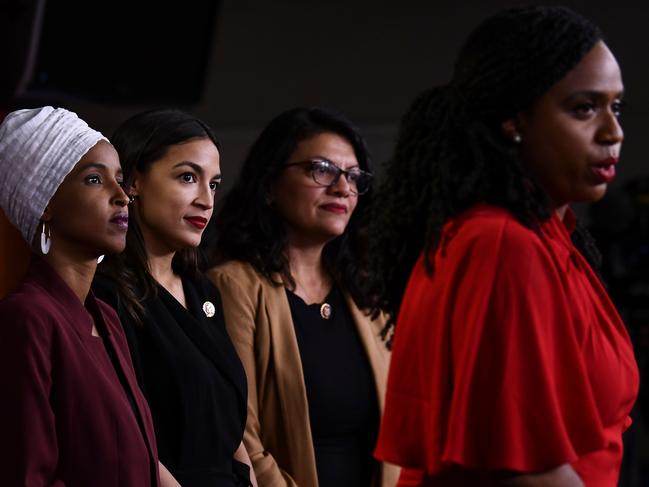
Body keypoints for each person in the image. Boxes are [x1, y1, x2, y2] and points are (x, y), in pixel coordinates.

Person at [367, 5, 639, 487]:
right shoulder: (502, 244)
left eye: (615, 107)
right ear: (515, 120)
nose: (613, 132)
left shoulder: (545, 238)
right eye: (583, 108)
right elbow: (526, 473)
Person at [205, 107, 399, 487]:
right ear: (271, 183)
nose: (343, 188)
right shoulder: (233, 286)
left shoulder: (365, 295)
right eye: (322, 169)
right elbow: (240, 435)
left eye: (354, 176)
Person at [0, 106, 172, 486]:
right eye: (95, 180)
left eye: (120, 179)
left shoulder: (106, 317)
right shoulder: (27, 319)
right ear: (44, 204)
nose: (122, 197)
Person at [92, 108, 256, 487]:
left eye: (213, 184)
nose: (206, 200)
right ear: (132, 182)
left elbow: (230, 428)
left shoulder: (203, 290)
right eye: (187, 177)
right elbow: (131, 444)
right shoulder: (106, 295)